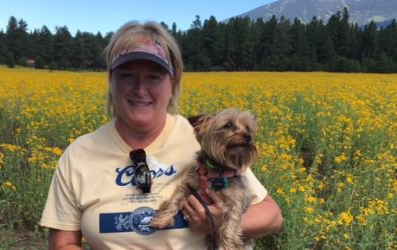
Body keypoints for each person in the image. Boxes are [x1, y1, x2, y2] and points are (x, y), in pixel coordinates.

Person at [39, 20, 283, 250]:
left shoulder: (205, 139)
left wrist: (220, 221)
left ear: (172, 84)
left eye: (154, 77)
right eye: (127, 75)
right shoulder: (79, 154)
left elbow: (271, 215)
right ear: (110, 81)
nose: (140, 89)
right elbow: (63, 243)